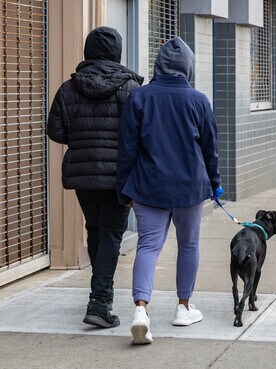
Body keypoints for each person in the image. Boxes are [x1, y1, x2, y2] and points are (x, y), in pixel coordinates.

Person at [117, 37, 222, 345]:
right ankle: (183, 307)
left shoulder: (140, 97)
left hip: (148, 186)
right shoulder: (199, 100)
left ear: (158, 64)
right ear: (188, 67)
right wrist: (214, 183)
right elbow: (210, 149)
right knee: (188, 245)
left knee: (148, 246)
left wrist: (124, 191)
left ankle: (140, 311)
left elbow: (127, 149)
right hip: (189, 188)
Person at [47, 26, 143, 328]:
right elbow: (141, 134)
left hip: (84, 175)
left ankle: (98, 295)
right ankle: (100, 303)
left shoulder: (68, 88)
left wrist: (83, 139)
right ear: (117, 52)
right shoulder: (131, 89)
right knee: (112, 235)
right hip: (118, 176)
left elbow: (56, 131)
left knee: (96, 231)